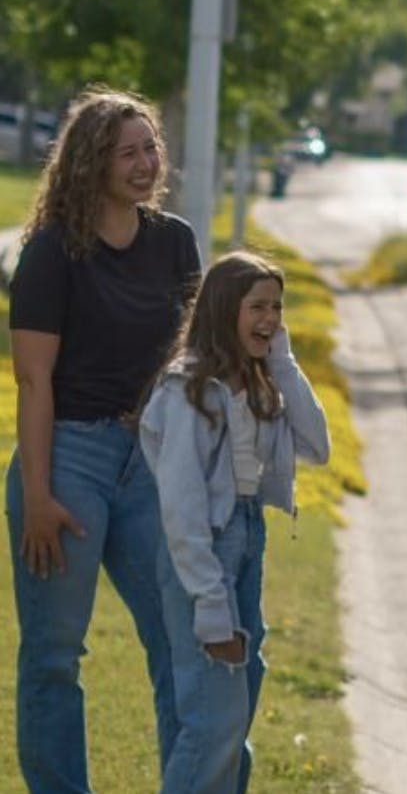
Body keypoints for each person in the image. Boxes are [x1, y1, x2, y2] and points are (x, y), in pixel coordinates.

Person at [6, 85, 201, 791]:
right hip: (68, 459)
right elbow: (34, 382)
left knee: (183, 638)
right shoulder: (53, 254)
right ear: (91, 163)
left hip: (149, 460)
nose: (147, 163)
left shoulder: (175, 241)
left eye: (151, 146)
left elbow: (192, 360)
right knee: (55, 653)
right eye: (128, 152)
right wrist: (37, 494)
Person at [138, 251, 330, 794]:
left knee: (237, 707)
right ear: (225, 310)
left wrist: (284, 363)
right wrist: (209, 598)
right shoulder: (188, 389)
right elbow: (181, 505)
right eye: (257, 308)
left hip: (247, 538)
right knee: (213, 723)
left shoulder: (263, 380)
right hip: (206, 551)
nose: (270, 319)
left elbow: (317, 444)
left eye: (277, 308)